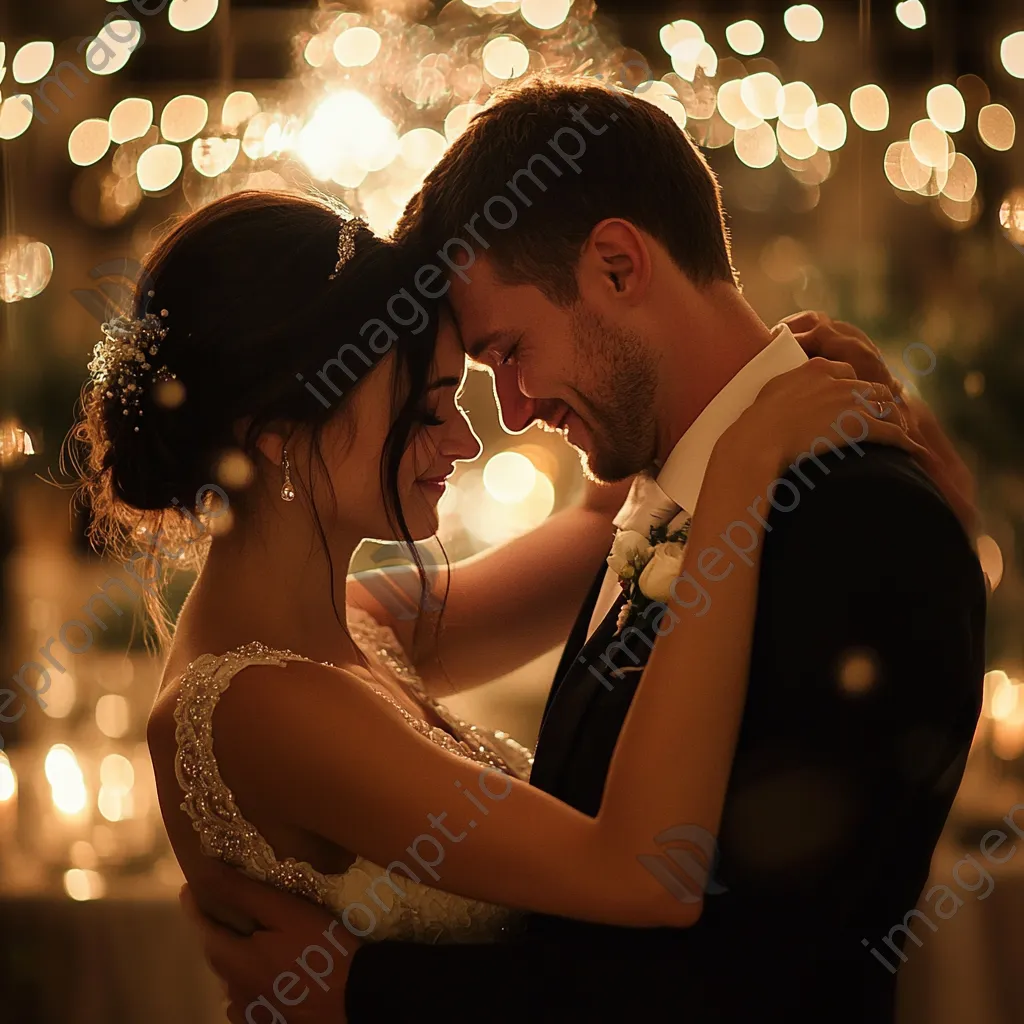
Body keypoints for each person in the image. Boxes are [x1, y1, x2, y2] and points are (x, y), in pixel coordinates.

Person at [183, 79, 987, 1023]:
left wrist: (371, 991)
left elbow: (763, 983)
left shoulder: (857, 527)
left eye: (509, 350)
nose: (508, 414)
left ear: (616, 263)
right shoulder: (672, 492)